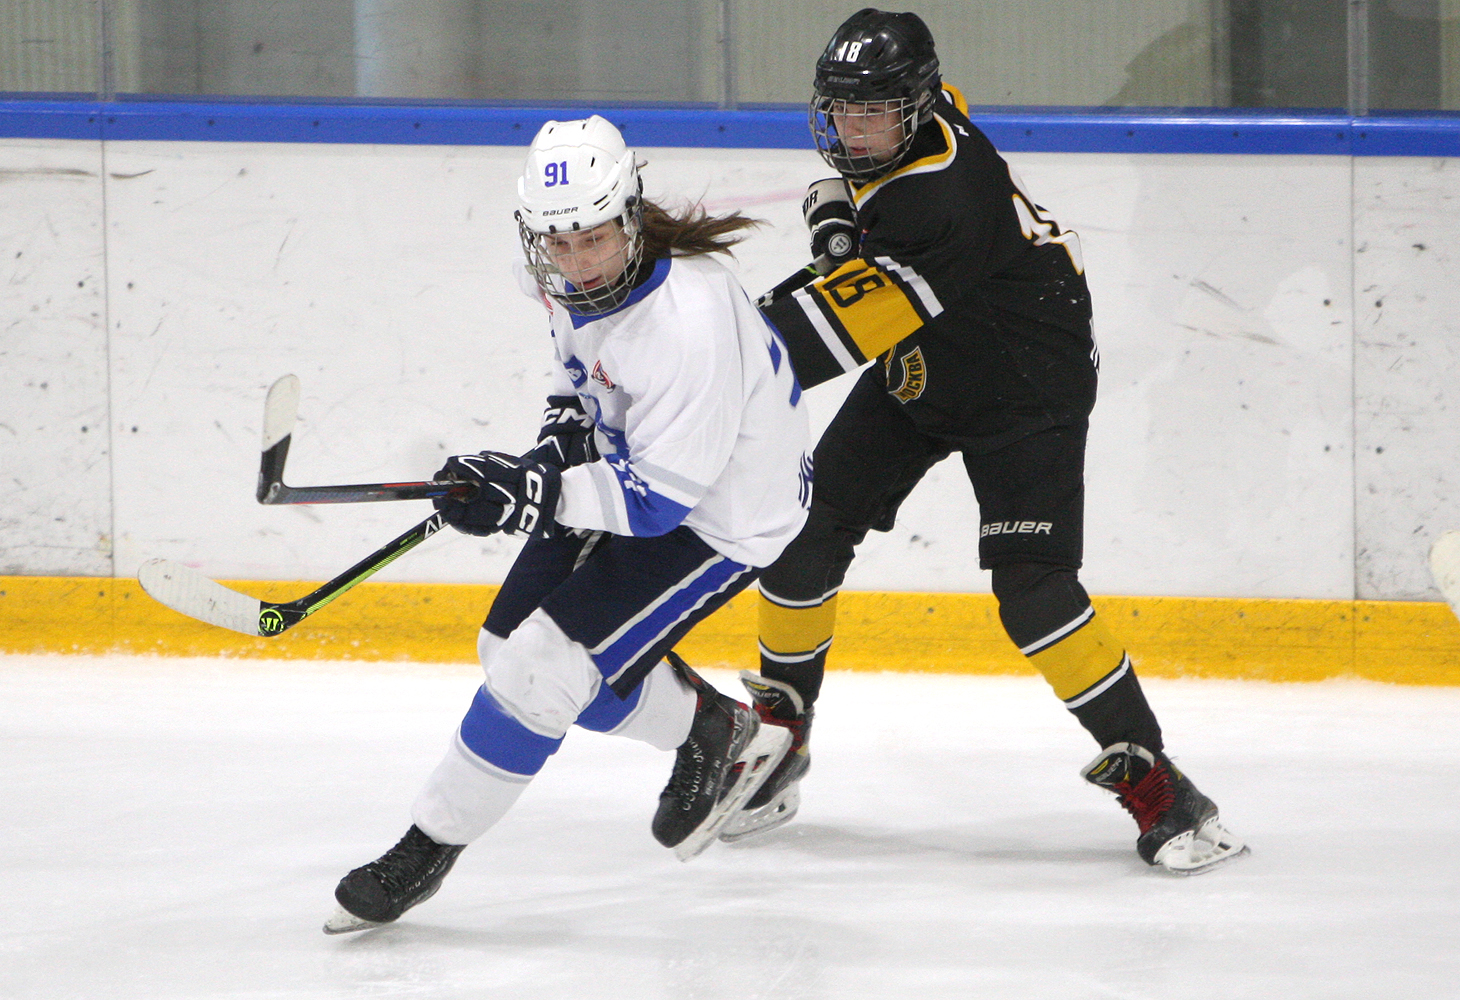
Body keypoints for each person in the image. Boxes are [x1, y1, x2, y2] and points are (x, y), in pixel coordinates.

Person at [723, 8, 1247, 874]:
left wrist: (696, 363)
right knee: (801, 536)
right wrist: (838, 225)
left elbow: (816, 337)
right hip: (929, 357)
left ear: (917, 105)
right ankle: (782, 736)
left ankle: (1161, 787)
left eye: (874, 112)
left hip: (1026, 378)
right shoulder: (928, 122)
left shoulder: (945, 199)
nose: (855, 131)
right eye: (844, 110)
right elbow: (861, 239)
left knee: (1033, 593)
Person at [324, 115, 812, 933]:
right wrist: (547, 452)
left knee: (543, 670)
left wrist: (530, 495)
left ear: (629, 216)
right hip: (642, 474)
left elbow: (659, 504)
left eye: (593, 239)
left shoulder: (686, 322)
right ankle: (713, 726)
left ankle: (424, 849)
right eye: (559, 242)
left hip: (724, 512)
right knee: (505, 650)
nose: (578, 263)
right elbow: (581, 385)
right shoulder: (561, 277)